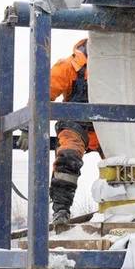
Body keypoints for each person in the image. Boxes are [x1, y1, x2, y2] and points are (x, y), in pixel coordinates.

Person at [47, 37, 102, 226]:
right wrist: (25, 127)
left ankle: (122, 206)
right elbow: (42, 92)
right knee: (69, 156)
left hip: (107, 126)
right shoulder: (69, 67)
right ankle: (61, 210)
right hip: (75, 125)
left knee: (123, 162)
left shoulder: (122, 68)